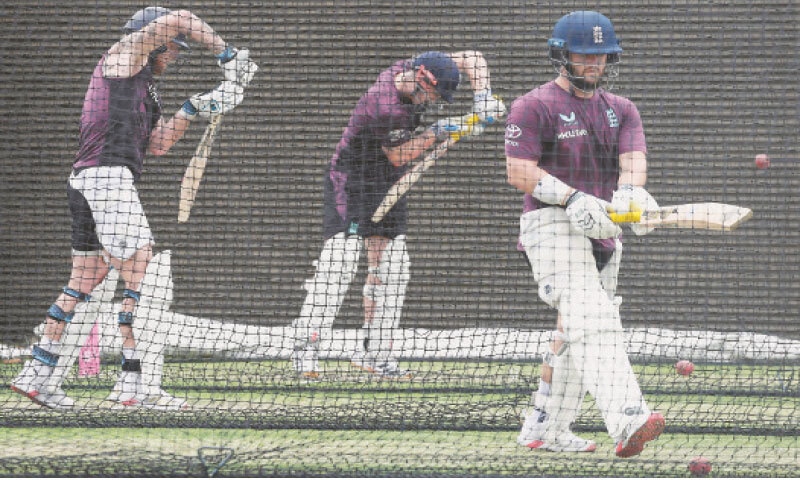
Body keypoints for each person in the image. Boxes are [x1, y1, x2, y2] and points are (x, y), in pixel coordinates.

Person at [10, 6, 255, 410]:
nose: (174, 54)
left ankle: (37, 375)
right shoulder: (125, 55)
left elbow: (158, 144)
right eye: (171, 47)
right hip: (107, 178)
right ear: (152, 40)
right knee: (145, 275)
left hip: (89, 181)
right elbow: (180, 16)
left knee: (85, 278)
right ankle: (133, 384)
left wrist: (197, 106)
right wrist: (227, 55)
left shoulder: (145, 87)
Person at [504, 11, 665, 456]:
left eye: (601, 55)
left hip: (604, 229)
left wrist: (631, 194)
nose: (594, 63)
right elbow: (518, 171)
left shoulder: (622, 109)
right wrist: (572, 198)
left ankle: (546, 429)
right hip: (551, 224)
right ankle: (629, 418)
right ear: (562, 55)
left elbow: (633, 161)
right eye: (584, 54)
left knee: (575, 330)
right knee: (593, 317)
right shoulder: (533, 105)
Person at [292, 50, 506, 379]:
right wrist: (444, 129)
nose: (433, 101)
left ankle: (375, 353)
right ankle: (305, 348)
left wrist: (483, 98)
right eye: (434, 95)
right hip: (352, 180)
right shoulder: (385, 105)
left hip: (387, 181)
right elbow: (399, 155)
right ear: (421, 80)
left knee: (393, 266)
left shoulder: (416, 67)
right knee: (341, 260)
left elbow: (473, 57)